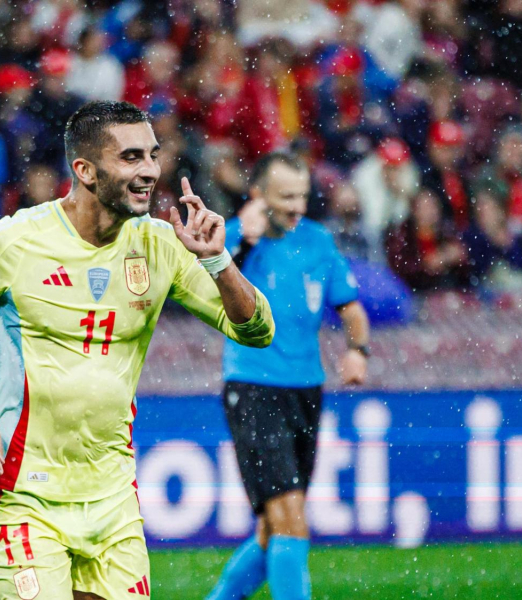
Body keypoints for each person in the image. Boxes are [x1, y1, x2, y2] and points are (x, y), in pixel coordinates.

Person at [0, 101, 274, 600]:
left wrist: (217, 261)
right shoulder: (12, 242)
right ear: (85, 170)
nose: (149, 171)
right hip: (23, 489)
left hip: (112, 494)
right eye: (130, 157)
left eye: (152, 155)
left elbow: (257, 331)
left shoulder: (163, 245)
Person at [208, 151, 369, 600]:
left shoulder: (318, 241)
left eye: (302, 195)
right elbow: (205, 290)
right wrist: (242, 241)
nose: (297, 206)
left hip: (305, 388)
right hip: (254, 386)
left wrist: (358, 350)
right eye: (285, 197)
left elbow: (351, 307)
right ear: (259, 196)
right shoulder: (233, 240)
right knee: (291, 517)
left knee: (271, 528)